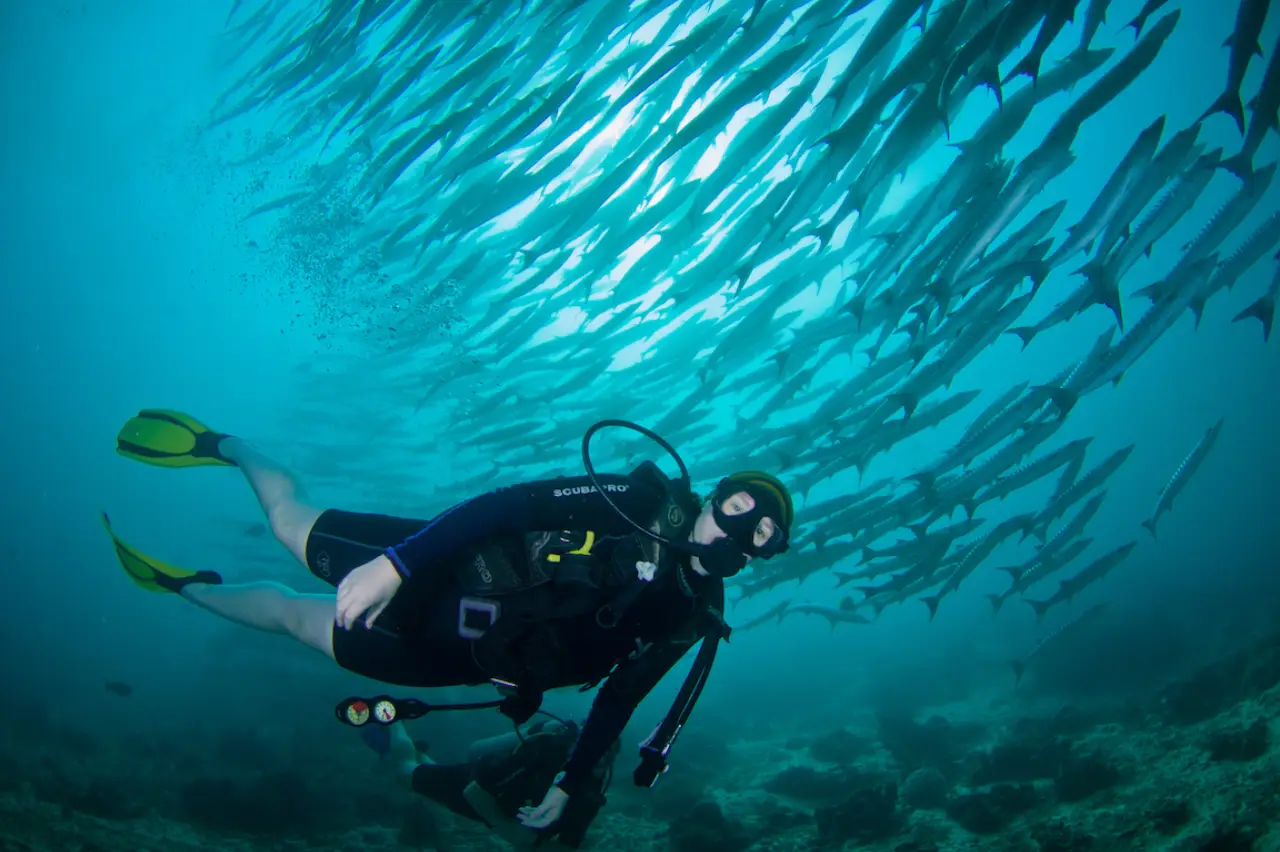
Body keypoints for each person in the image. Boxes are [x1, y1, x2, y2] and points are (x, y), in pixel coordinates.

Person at [104, 409, 794, 833]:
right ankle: (227, 447)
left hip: (459, 658)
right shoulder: (636, 502)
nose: (743, 528)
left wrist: (569, 781)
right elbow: (507, 506)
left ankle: (187, 588)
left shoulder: (694, 614)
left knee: (292, 621)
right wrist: (400, 563)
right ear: (716, 496)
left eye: (763, 532)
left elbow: (621, 695)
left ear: (763, 554)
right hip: (442, 566)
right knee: (291, 528)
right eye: (739, 505)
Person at [362, 716, 618, 849]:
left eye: (606, 754)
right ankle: (393, 721)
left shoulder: (591, 793)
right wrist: (511, 831)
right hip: (472, 786)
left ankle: (414, 752)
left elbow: (567, 843)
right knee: (404, 773)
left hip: (490, 805)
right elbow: (478, 789)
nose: (598, 759)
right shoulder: (542, 752)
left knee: (427, 771)